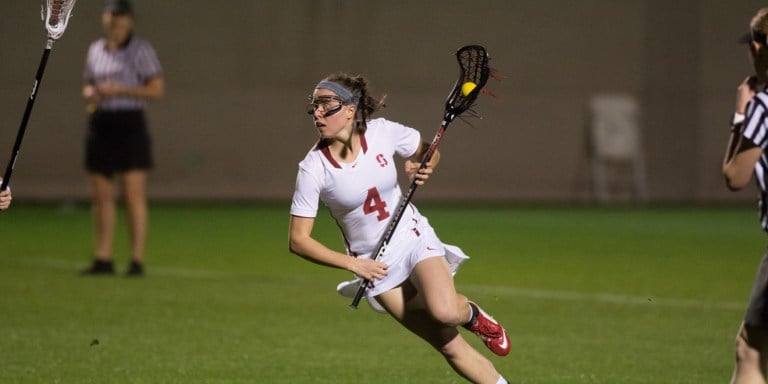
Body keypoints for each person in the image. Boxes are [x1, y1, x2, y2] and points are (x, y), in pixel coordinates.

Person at [289, 73, 511, 384]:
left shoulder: (383, 133)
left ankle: (472, 315)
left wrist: (423, 166)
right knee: (447, 343)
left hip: (411, 237)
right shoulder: (313, 169)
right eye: (315, 107)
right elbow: (299, 241)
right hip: (374, 266)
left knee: (445, 311)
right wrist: (354, 264)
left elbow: (427, 154)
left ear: (351, 109)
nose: (318, 113)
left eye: (327, 106)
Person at [80, 0, 163, 276]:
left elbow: (155, 88)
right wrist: (92, 93)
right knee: (102, 193)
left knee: (132, 193)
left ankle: (136, 259)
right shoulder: (95, 49)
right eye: (111, 15)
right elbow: (89, 83)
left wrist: (121, 90)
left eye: (120, 16)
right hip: (102, 122)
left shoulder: (140, 50)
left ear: (130, 20)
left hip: (129, 123)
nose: (115, 21)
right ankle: (103, 257)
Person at [724, 7, 768, 384]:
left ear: (758, 46)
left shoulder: (763, 106)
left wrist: (740, 115)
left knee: (749, 351)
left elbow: (735, 176)